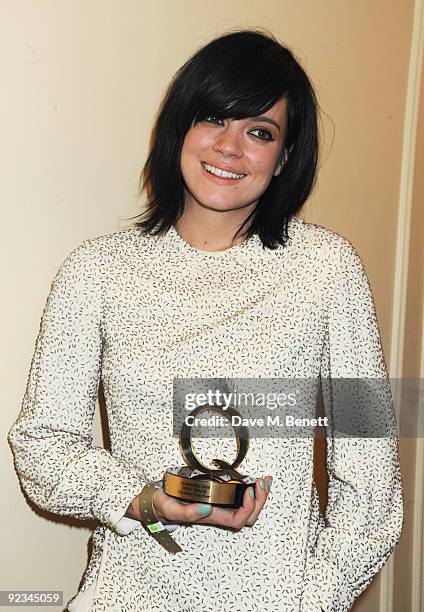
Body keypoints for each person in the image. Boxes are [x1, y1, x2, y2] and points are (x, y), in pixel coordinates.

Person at [8, 28, 403, 612]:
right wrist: (141, 499)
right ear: (180, 128)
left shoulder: (328, 268)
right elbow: (42, 445)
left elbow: (371, 478)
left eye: (260, 132)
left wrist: (312, 598)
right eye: (214, 118)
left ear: (285, 155)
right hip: (128, 595)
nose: (230, 147)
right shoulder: (95, 271)